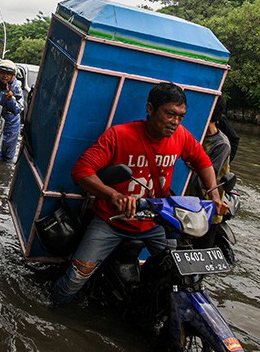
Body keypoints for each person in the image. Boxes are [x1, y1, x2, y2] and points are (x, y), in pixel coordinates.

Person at [50, 82, 227, 305]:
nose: (175, 122)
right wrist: (112, 195)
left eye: (181, 116)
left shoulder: (181, 136)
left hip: (155, 223)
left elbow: (202, 161)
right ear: (150, 109)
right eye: (170, 114)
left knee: (181, 276)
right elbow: (81, 171)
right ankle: (51, 309)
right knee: (77, 277)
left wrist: (214, 194)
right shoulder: (119, 135)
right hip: (111, 221)